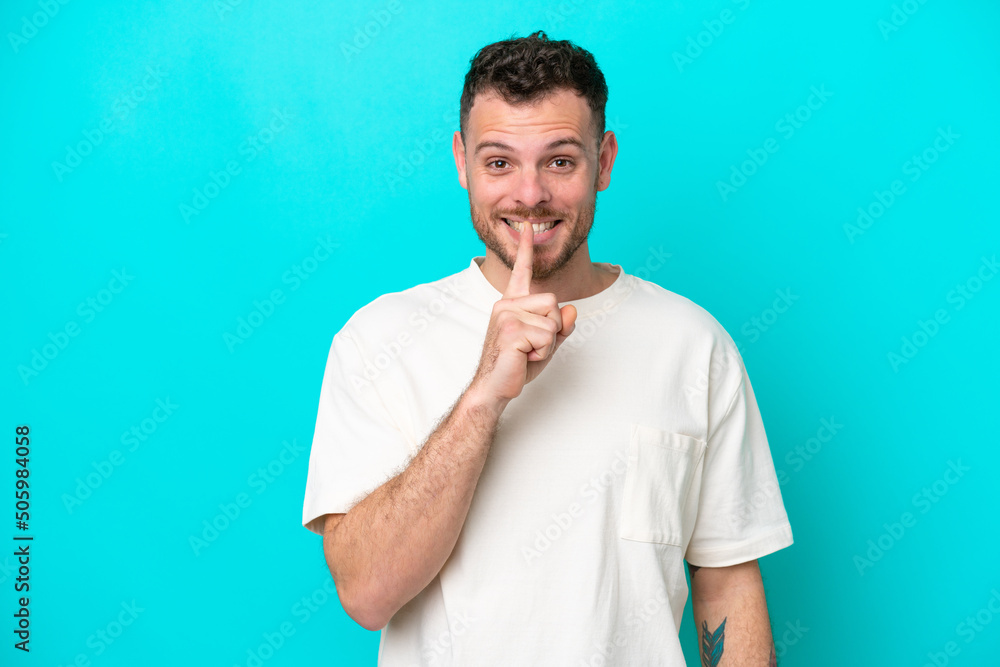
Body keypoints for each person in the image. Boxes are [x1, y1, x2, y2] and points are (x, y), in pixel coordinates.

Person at [302, 30, 793, 666]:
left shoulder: (694, 345)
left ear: (605, 160)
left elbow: (726, 582)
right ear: (461, 161)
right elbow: (366, 595)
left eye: (560, 160)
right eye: (499, 161)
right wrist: (483, 397)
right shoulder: (378, 339)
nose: (529, 194)